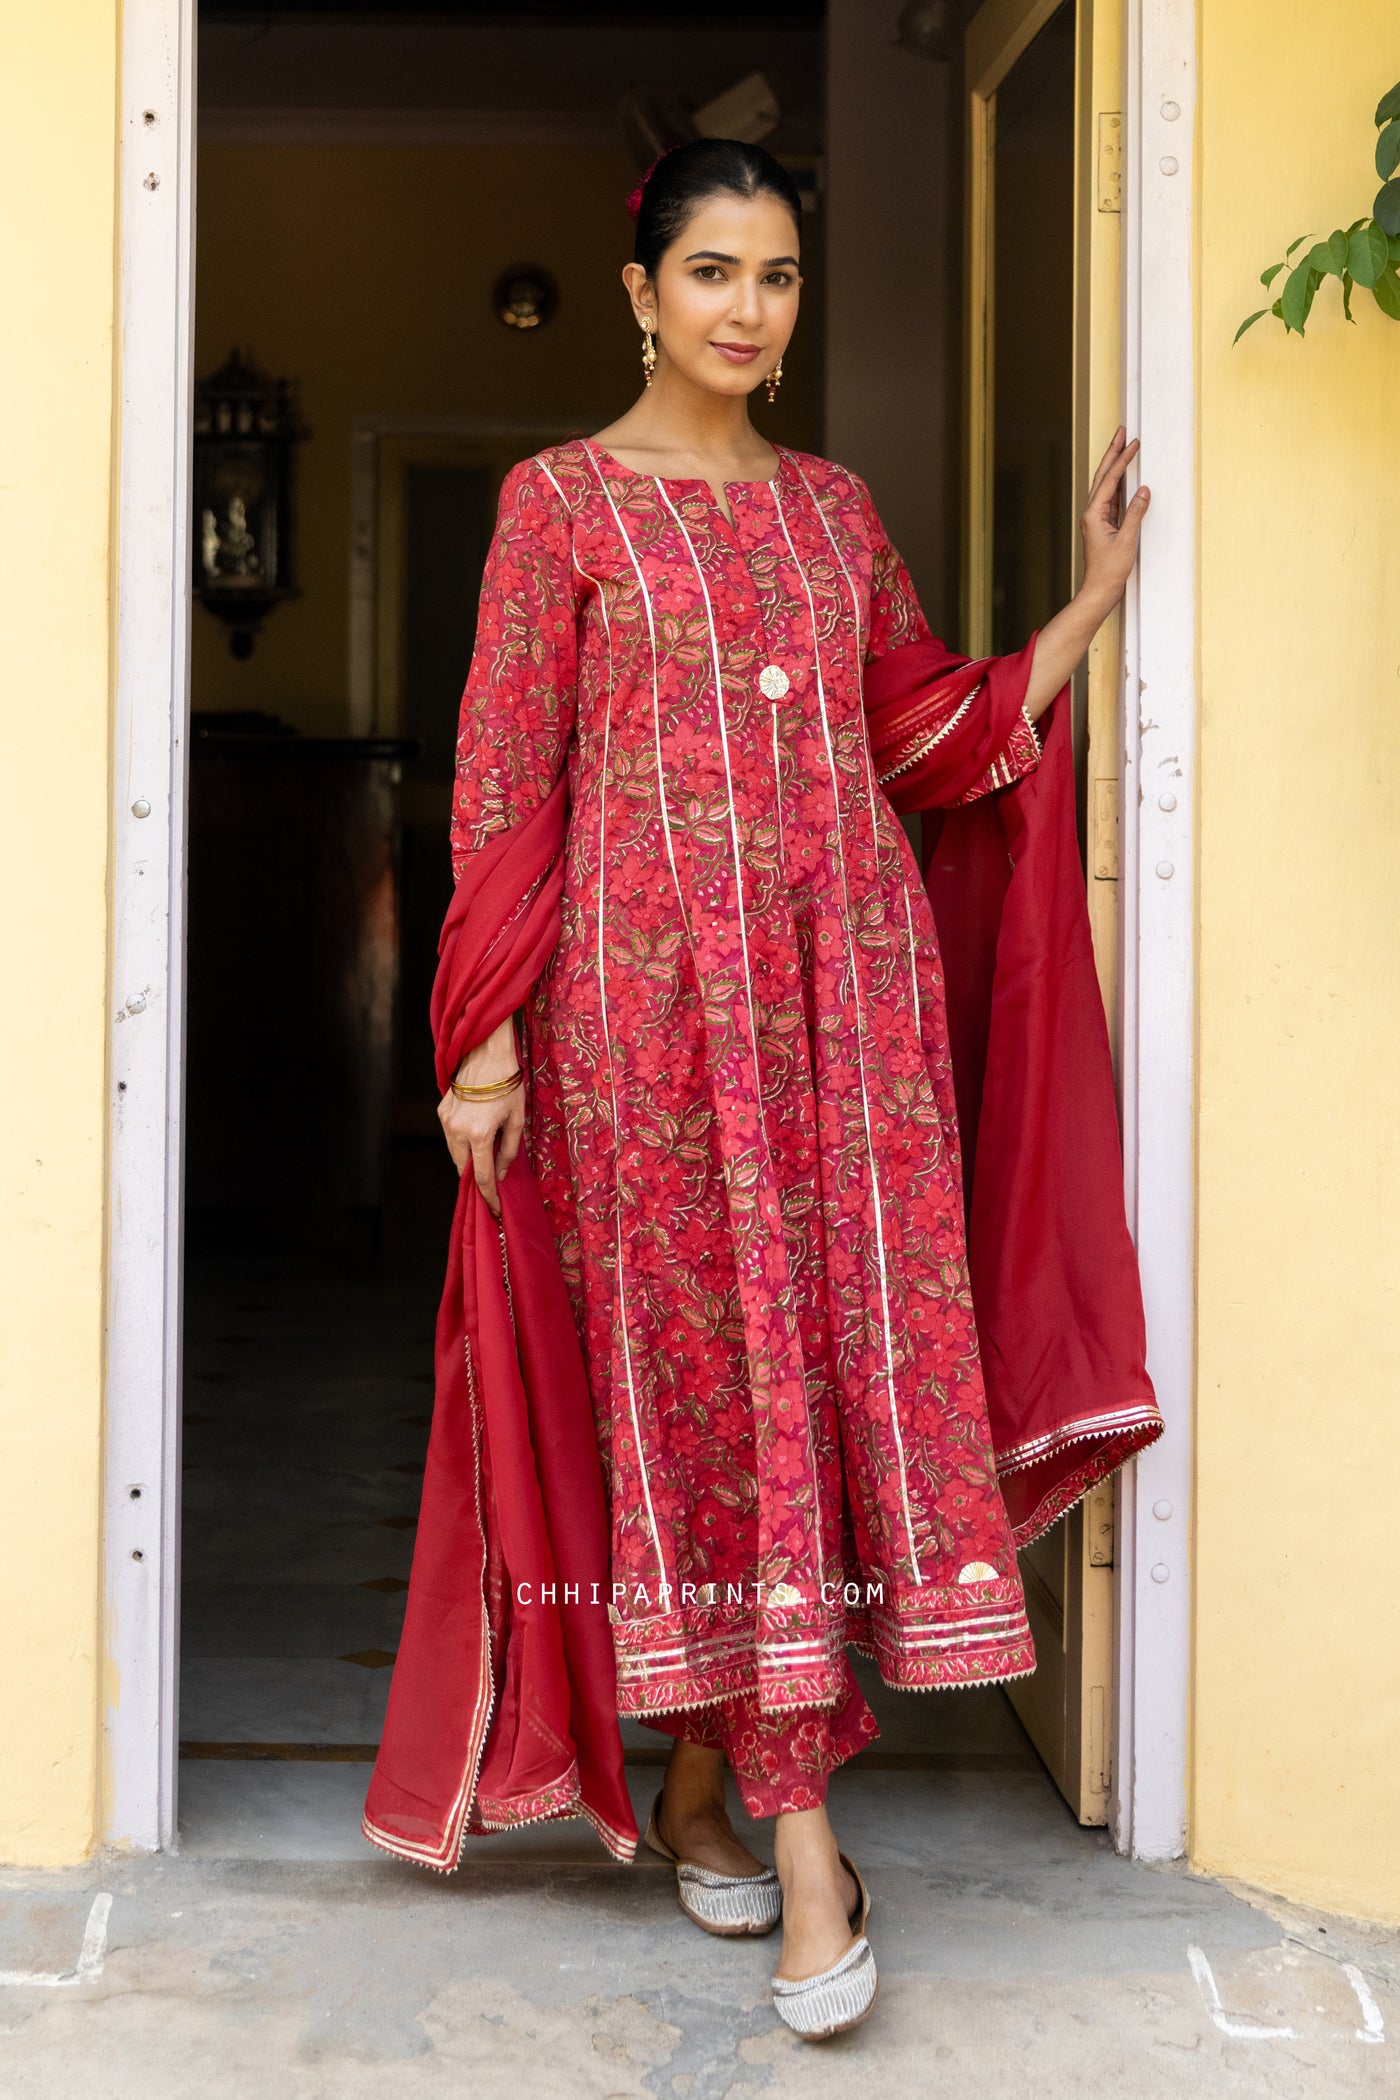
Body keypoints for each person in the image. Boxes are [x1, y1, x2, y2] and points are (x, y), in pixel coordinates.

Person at [436, 137, 1150, 2040]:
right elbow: (505, 777)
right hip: (645, 1028)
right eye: (715, 274)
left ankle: (705, 1782)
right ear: (640, 289)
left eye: (778, 278)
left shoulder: (833, 513)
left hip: (855, 1014)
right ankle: (807, 1839)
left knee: (834, 1383)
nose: (749, 311)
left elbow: (912, 723)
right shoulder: (559, 505)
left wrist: (1079, 616)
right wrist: (483, 1036)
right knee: (702, 1387)